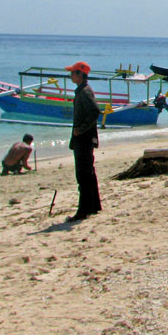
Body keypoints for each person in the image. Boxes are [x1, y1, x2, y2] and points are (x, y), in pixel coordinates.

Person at [66, 61, 102, 222]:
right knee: (88, 172)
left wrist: (81, 129)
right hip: (83, 137)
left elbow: (95, 111)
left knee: (83, 174)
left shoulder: (85, 91)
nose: (70, 76)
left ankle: (84, 209)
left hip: (84, 138)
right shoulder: (82, 90)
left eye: (72, 73)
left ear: (81, 74)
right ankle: (94, 205)